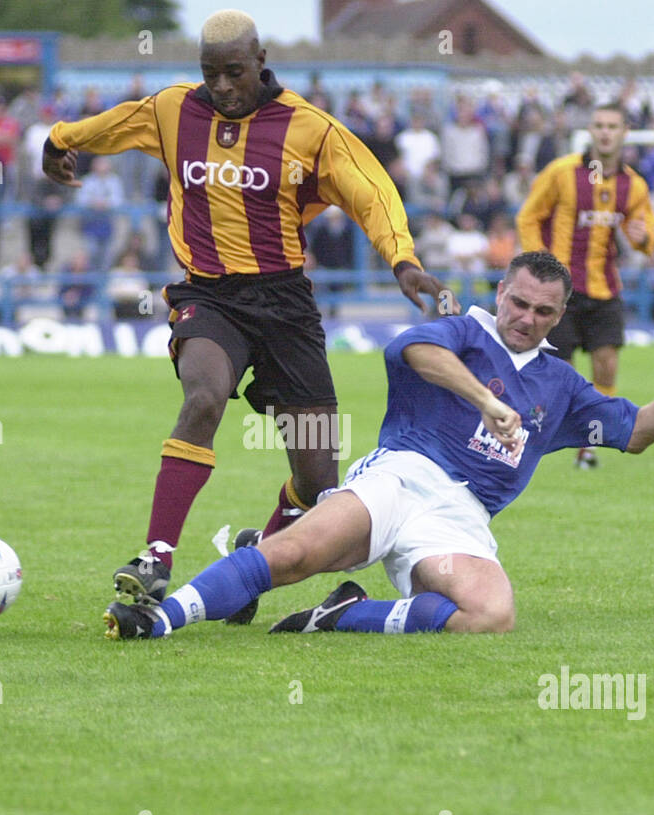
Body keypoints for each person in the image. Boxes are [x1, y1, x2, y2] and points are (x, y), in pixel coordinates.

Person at [102, 251, 654, 639]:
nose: (525, 319)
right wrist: (488, 400)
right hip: (401, 477)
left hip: (460, 518)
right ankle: (161, 620)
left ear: (559, 316)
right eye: (518, 303)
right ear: (500, 293)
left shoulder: (563, 384)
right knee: (295, 553)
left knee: (492, 615)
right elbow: (411, 350)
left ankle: (342, 616)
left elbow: (634, 432)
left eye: (542, 313)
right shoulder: (463, 330)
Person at [42, 9, 448, 622]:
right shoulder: (174, 109)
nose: (223, 87)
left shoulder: (310, 129)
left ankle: (252, 560)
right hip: (207, 295)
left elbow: (372, 191)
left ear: (260, 62)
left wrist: (403, 260)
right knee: (203, 396)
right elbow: (108, 126)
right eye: (211, 74)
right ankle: (156, 558)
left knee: (317, 483)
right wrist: (60, 140)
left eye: (234, 73)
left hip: (285, 305)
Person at [516, 102, 654, 469]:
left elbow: (646, 234)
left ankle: (590, 445)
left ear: (625, 131)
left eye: (612, 126)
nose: (605, 132)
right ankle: (541, 436)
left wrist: (641, 238)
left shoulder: (634, 185)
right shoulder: (561, 172)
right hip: (562, 292)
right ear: (590, 131)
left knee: (607, 365)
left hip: (605, 287)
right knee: (558, 371)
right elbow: (529, 216)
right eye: (599, 125)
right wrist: (541, 265)